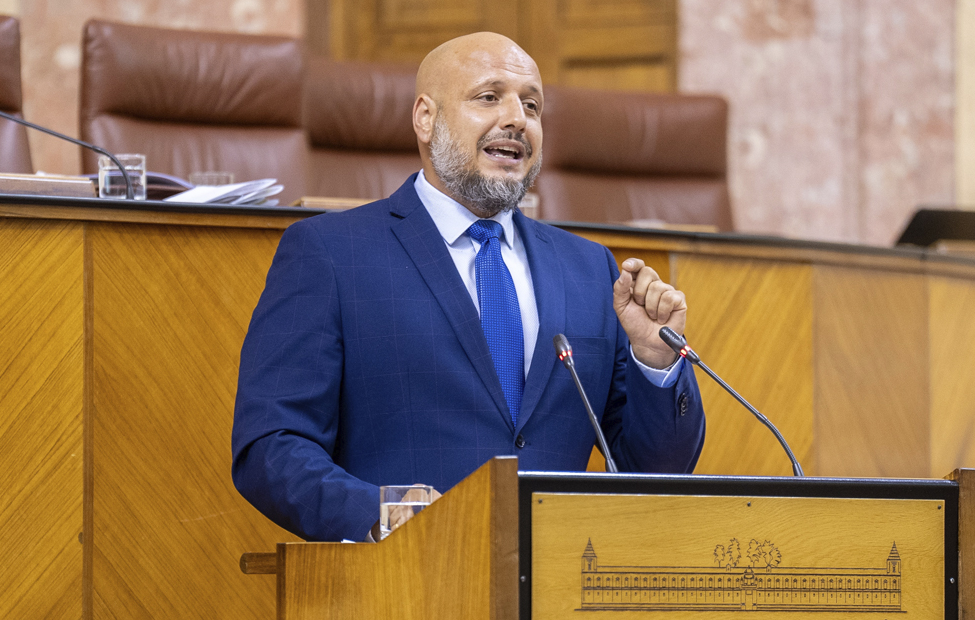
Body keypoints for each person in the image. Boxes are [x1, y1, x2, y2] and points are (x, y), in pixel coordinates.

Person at [231, 32, 705, 541]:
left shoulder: (589, 269)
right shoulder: (330, 252)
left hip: (558, 576)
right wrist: (382, 515)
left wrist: (656, 362)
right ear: (425, 118)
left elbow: (653, 473)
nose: (517, 118)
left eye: (531, 105)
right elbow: (271, 444)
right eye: (489, 97)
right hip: (402, 577)